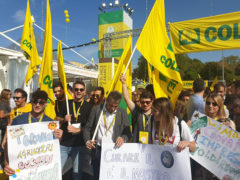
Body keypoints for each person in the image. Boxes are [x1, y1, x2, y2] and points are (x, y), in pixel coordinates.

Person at [3, 90, 63, 176]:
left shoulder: (50, 123)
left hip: (41, 170)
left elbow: (53, 147)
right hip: (22, 169)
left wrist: (59, 138)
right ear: (31, 102)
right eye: (35, 101)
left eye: (41, 102)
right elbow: (9, 144)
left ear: (46, 104)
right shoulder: (18, 120)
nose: (37, 105)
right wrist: (6, 163)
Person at [83, 91, 131, 180]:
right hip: (98, 149)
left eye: (115, 106)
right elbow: (87, 128)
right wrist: (87, 140)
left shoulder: (122, 112)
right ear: (106, 101)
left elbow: (127, 131)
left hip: (115, 149)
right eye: (110, 105)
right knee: (98, 175)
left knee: (114, 175)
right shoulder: (96, 109)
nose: (113, 109)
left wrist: (123, 138)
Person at [58, 81, 92, 180]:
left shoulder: (89, 106)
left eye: (81, 89)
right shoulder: (66, 104)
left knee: (77, 172)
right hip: (64, 144)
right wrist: (64, 119)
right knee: (57, 170)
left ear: (84, 91)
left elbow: (90, 126)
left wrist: (79, 129)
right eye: (76, 89)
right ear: (73, 91)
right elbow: (56, 118)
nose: (78, 91)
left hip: (79, 145)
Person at [121, 74, 153, 144]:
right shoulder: (137, 111)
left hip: (151, 148)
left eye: (147, 102)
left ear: (152, 101)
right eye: (142, 102)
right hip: (136, 147)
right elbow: (126, 99)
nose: (145, 104)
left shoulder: (156, 114)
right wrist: (124, 83)